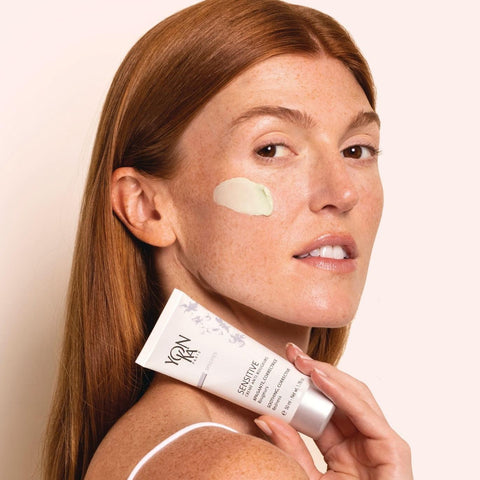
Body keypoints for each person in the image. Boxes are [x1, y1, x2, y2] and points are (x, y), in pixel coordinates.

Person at [43, 0, 413, 479]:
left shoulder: (166, 445)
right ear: (147, 206)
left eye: (357, 149)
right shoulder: (236, 466)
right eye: (271, 148)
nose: (342, 192)